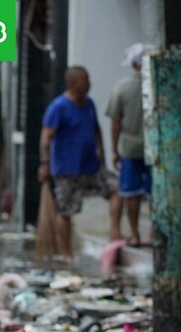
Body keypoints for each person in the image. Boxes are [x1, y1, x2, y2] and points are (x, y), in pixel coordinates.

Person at [38, 66, 118, 260]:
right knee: (65, 211)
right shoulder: (58, 108)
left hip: (91, 166)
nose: (89, 83)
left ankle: (115, 232)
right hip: (66, 170)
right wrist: (45, 163)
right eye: (85, 80)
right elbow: (46, 138)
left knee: (116, 189)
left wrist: (103, 155)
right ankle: (67, 254)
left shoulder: (89, 104)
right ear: (74, 84)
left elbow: (96, 129)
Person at [106, 44, 150, 246]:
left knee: (132, 193)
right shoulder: (160, 84)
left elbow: (115, 122)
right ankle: (155, 234)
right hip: (156, 149)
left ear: (134, 64)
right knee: (154, 193)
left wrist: (115, 149)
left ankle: (134, 234)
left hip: (130, 149)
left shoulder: (122, 87)